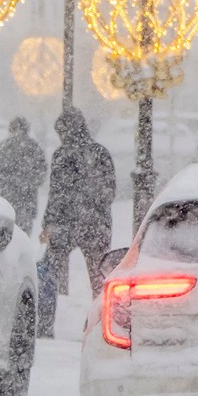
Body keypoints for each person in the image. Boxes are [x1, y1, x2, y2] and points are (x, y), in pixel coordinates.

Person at [43, 108, 120, 328]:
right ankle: (103, 322)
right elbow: (110, 191)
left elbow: (56, 193)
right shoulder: (100, 153)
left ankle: (46, 320)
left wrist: (49, 223)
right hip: (96, 223)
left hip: (66, 224)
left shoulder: (62, 155)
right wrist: (93, 205)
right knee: (99, 277)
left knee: (49, 270)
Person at [0, 116, 47, 231]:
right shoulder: (34, 147)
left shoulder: (3, 146)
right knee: (24, 230)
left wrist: (6, 180)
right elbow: (41, 172)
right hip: (28, 198)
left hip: (8, 197)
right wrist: (29, 183)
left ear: (11, 128)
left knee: (8, 230)